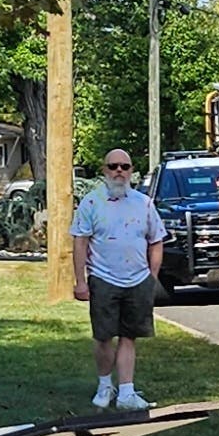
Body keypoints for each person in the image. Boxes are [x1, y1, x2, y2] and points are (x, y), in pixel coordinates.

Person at [71, 147, 167, 410]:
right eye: (113, 166)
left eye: (124, 167)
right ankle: (105, 386)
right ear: (104, 170)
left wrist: (152, 276)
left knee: (129, 336)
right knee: (103, 336)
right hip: (103, 278)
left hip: (137, 280)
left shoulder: (144, 204)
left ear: (131, 171)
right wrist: (80, 281)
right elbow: (80, 242)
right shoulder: (91, 203)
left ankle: (126, 392)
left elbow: (156, 240)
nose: (119, 172)